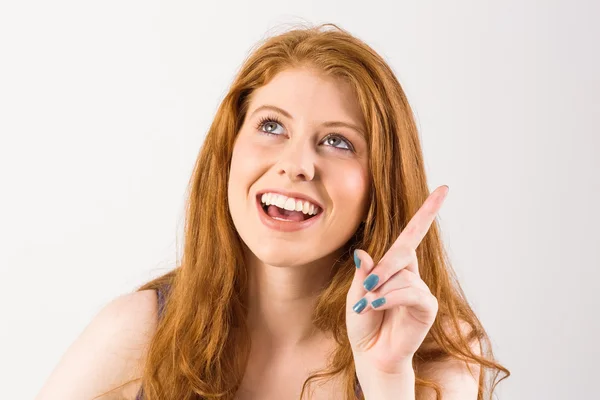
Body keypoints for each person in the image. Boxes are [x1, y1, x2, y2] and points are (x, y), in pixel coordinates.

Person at [35, 23, 510, 400]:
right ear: (229, 152)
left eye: (337, 141)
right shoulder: (139, 329)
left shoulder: (433, 351)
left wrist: (387, 380)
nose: (297, 165)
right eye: (271, 126)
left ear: (380, 184)